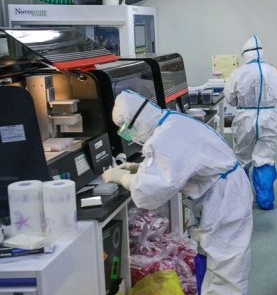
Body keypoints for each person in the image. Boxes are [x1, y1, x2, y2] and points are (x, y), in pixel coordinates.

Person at [103, 90, 252, 295]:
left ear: (135, 122)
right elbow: (181, 164)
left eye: (126, 130)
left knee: (225, 266)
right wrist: (139, 168)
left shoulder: (164, 137)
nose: (129, 136)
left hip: (225, 199)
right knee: (213, 258)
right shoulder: (170, 121)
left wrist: (121, 178)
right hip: (223, 192)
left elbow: (148, 191)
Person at [225, 35, 277, 210]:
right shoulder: (272, 71)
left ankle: (242, 201)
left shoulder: (238, 72)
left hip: (245, 118)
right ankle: (265, 202)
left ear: (245, 54)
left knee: (242, 159)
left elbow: (230, 98)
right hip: (269, 118)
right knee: (264, 158)